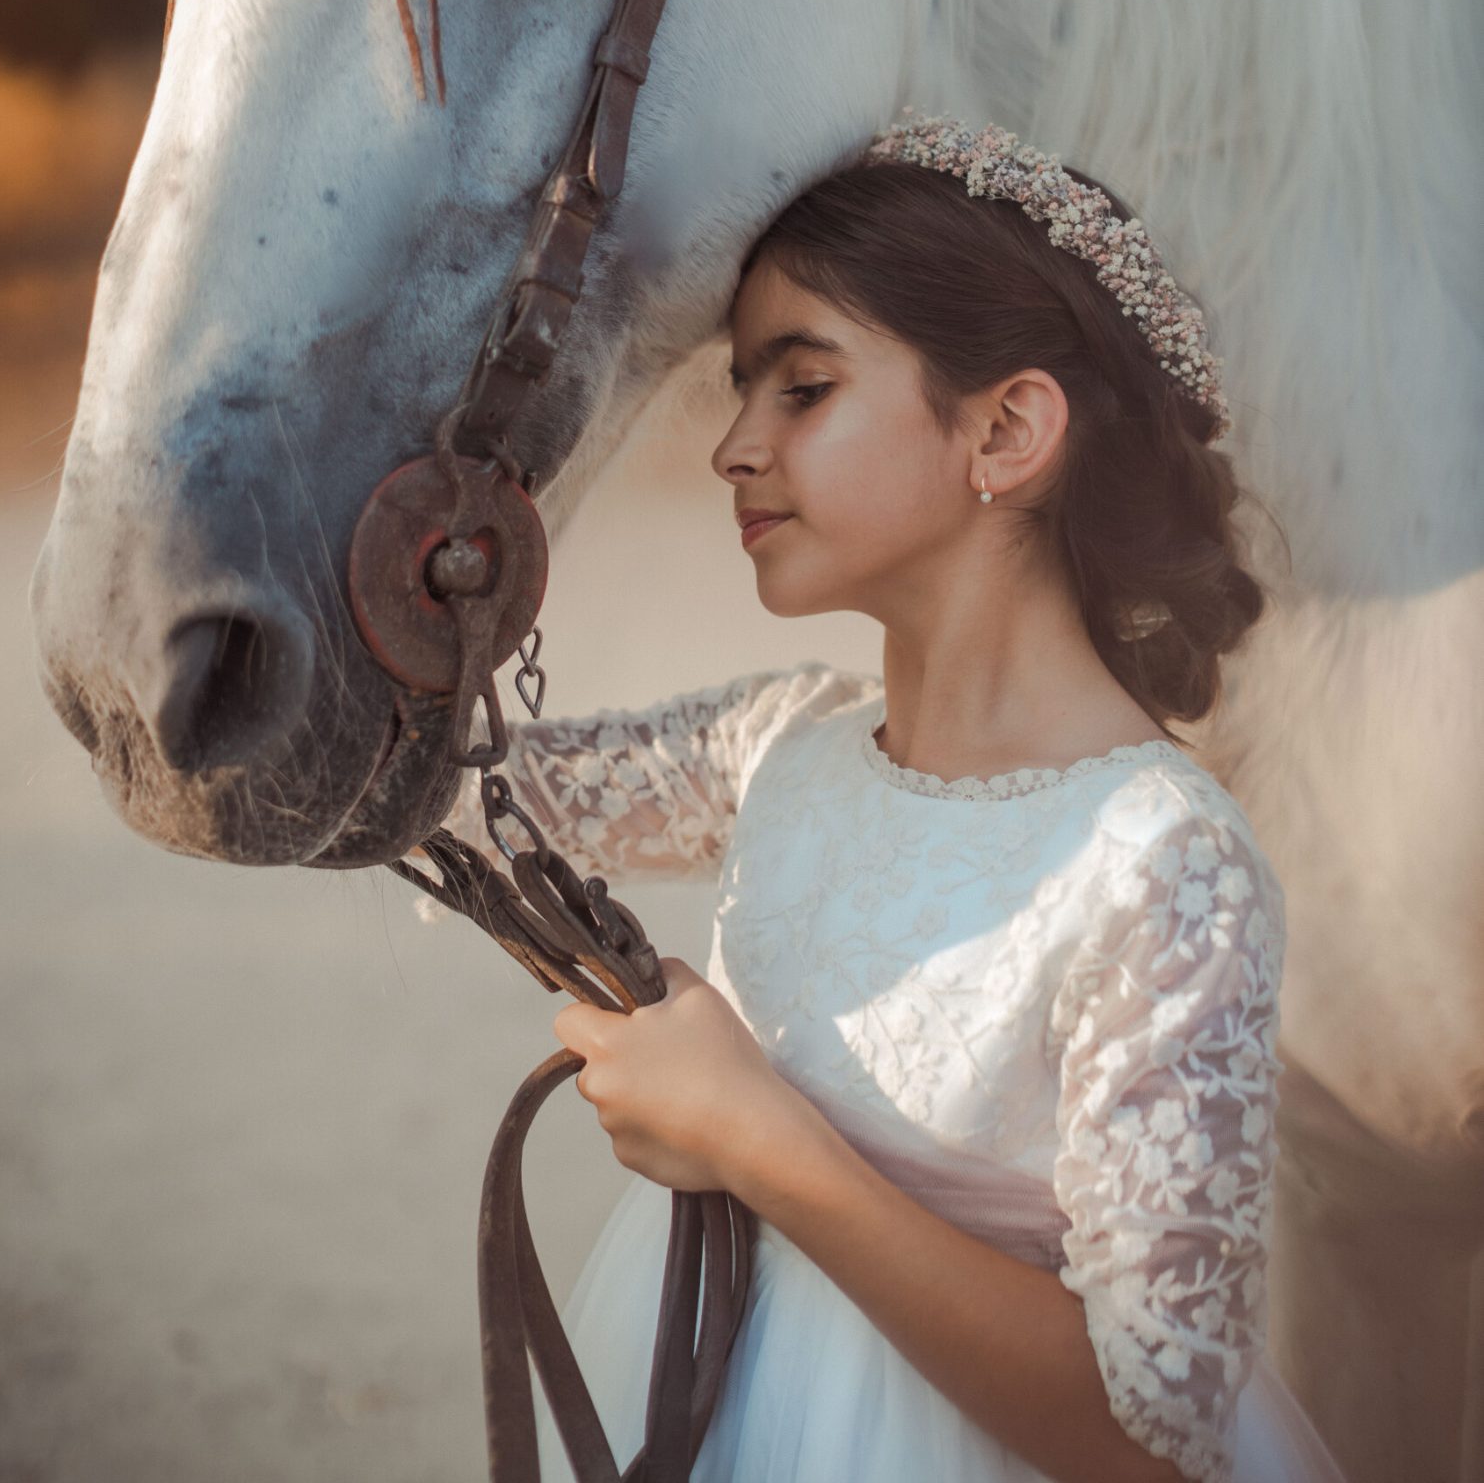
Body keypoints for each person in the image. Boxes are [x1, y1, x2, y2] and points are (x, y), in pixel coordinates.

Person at [440, 113, 1349, 1483]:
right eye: (742, 393)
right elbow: (436, 790)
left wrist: (756, 1140)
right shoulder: (780, 745)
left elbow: (1151, 1434)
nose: (732, 448)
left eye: (801, 389)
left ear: (1008, 429)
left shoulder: (1165, 862)